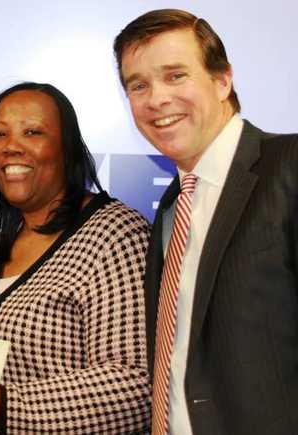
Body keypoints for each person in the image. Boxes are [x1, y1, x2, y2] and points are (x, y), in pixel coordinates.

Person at [113, 9, 298, 435]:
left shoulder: (287, 167)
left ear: (222, 80)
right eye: (138, 85)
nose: (156, 98)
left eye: (175, 75)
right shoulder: (171, 206)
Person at [0, 82, 152, 434]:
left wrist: (6, 408)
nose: (11, 147)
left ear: (66, 150)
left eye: (33, 132)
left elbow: (136, 385)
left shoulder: (116, 234)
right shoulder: (12, 237)